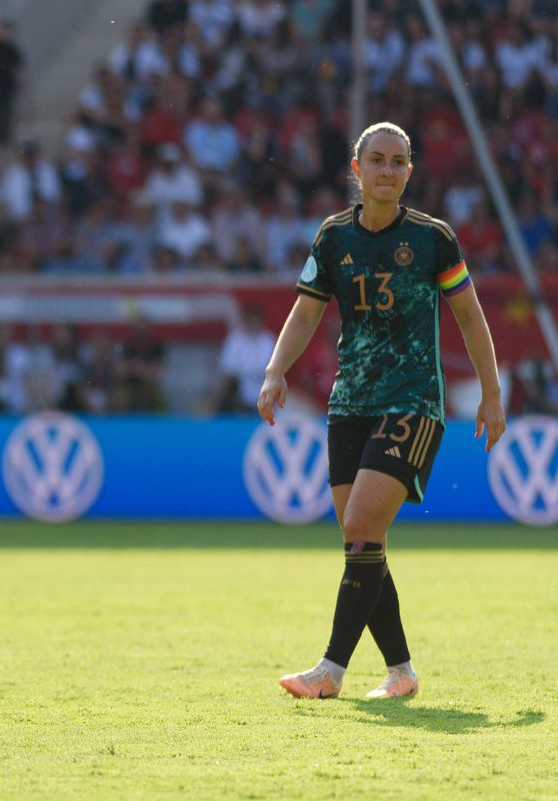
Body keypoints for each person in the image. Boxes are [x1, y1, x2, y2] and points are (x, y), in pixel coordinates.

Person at [257, 122, 506, 700]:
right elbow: (306, 310)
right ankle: (401, 672)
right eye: (378, 160)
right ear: (357, 168)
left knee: (363, 526)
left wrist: (492, 393)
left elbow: (469, 316)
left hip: (413, 400)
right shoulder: (333, 237)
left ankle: (330, 672)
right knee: (361, 542)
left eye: (399, 161)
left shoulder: (432, 238)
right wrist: (275, 369)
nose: (388, 170)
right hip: (350, 403)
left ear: (409, 172)